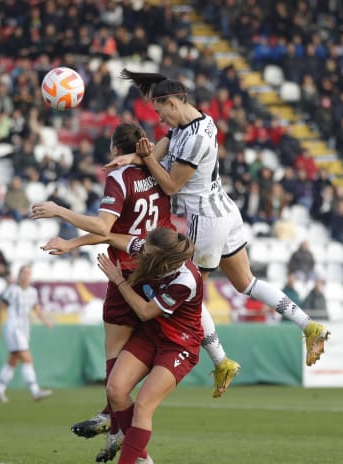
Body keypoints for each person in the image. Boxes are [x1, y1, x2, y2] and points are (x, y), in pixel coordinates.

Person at [32, 122, 238, 462]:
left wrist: (61, 216)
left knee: (117, 360)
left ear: (116, 149)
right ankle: (118, 422)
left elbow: (105, 230)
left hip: (133, 269)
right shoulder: (162, 173)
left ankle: (117, 428)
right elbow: (173, 137)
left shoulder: (120, 178)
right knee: (127, 377)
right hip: (153, 259)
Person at [106, 70, 329, 367]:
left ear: (173, 103)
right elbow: (161, 148)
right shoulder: (196, 120)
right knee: (246, 283)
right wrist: (134, 158)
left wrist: (144, 160)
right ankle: (309, 325)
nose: (161, 121)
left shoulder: (196, 139)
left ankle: (221, 361)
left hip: (205, 219)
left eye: (161, 114)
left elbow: (171, 185)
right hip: (225, 209)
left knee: (191, 291)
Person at [97, 227, 203, 464]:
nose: (142, 254)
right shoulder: (149, 248)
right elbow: (108, 234)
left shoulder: (185, 280)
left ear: (164, 259)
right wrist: (70, 243)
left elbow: (145, 312)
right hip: (151, 337)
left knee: (143, 405)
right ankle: (141, 457)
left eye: (148, 253)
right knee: (115, 390)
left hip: (179, 345)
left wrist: (118, 280)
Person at [0, 264, 54, 402]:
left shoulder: (32, 292)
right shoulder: (12, 290)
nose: (26, 275)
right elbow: (1, 308)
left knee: (12, 360)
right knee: (27, 358)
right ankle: (35, 390)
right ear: (19, 275)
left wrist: (45, 321)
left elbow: (36, 308)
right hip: (14, 328)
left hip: (24, 329)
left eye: (28, 273)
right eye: (23, 273)